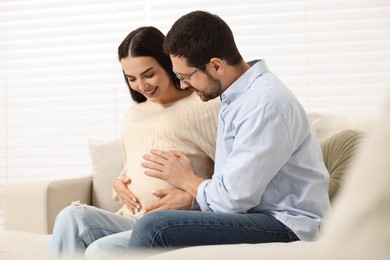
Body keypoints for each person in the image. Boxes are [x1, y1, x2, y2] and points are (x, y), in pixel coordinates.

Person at [126, 10, 331, 251]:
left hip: (287, 225)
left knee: (155, 228)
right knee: (103, 242)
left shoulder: (264, 104)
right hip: (254, 216)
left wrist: (187, 180)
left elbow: (232, 199)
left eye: (186, 76)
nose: (183, 85)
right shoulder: (237, 97)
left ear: (215, 66)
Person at [47, 26, 220, 258]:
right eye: (131, 78)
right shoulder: (134, 114)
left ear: (168, 63)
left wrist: (193, 197)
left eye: (149, 74)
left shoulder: (205, 107)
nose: (142, 85)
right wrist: (119, 184)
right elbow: (132, 168)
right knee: (71, 216)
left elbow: (231, 176)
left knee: (99, 250)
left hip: (175, 223)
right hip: (130, 219)